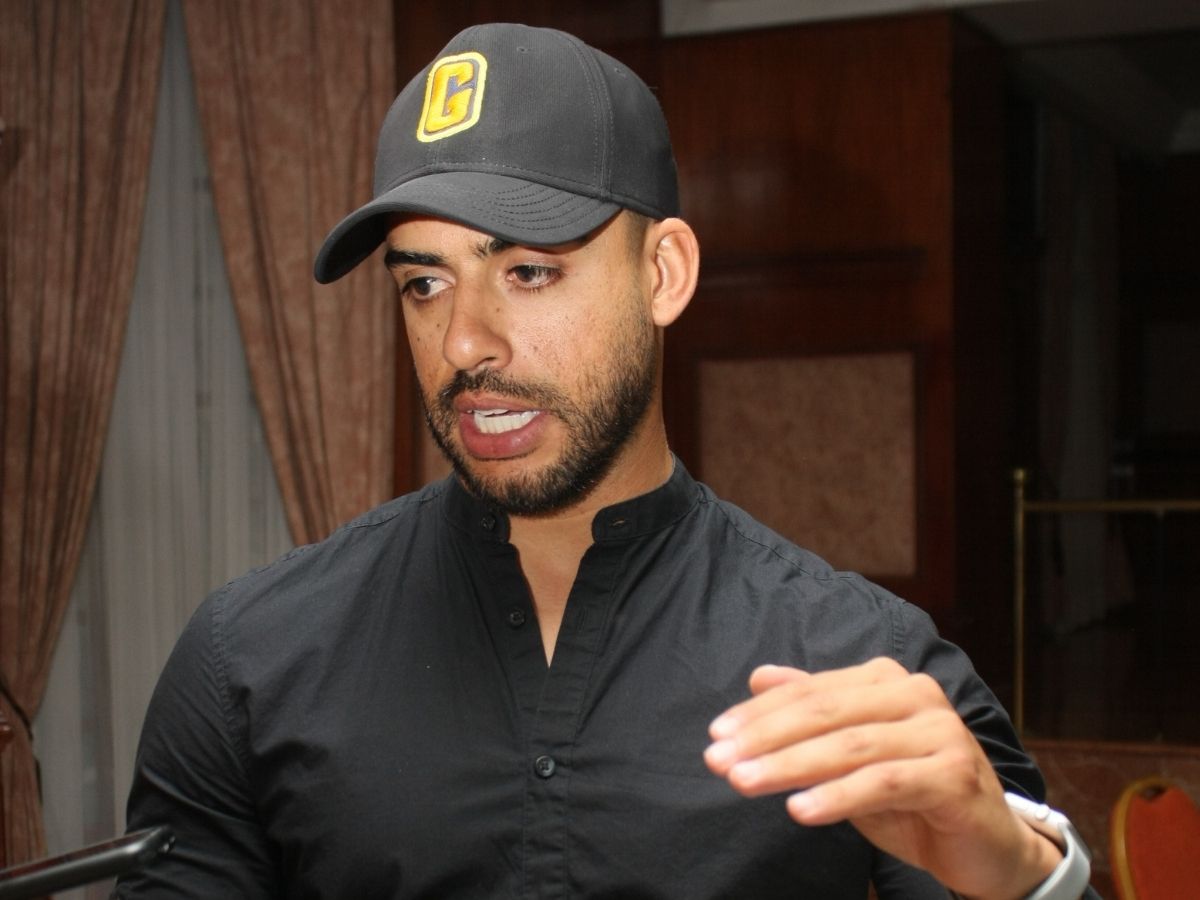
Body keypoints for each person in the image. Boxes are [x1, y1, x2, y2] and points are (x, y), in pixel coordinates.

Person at [116, 22, 1095, 899]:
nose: (464, 342)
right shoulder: (249, 659)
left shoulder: (860, 662)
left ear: (663, 274)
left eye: (528, 270)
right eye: (424, 284)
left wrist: (1018, 880)